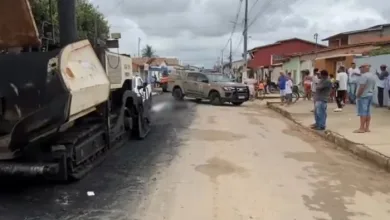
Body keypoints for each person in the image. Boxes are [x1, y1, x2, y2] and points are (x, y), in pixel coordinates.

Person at [354, 63, 376, 133]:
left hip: (363, 96)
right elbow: (373, 86)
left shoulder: (364, 76)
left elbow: (362, 87)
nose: (360, 69)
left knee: (362, 112)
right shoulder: (372, 76)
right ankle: (367, 128)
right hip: (370, 94)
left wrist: (358, 95)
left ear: (364, 68)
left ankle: (361, 128)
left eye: (361, 68)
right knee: (368, 112)